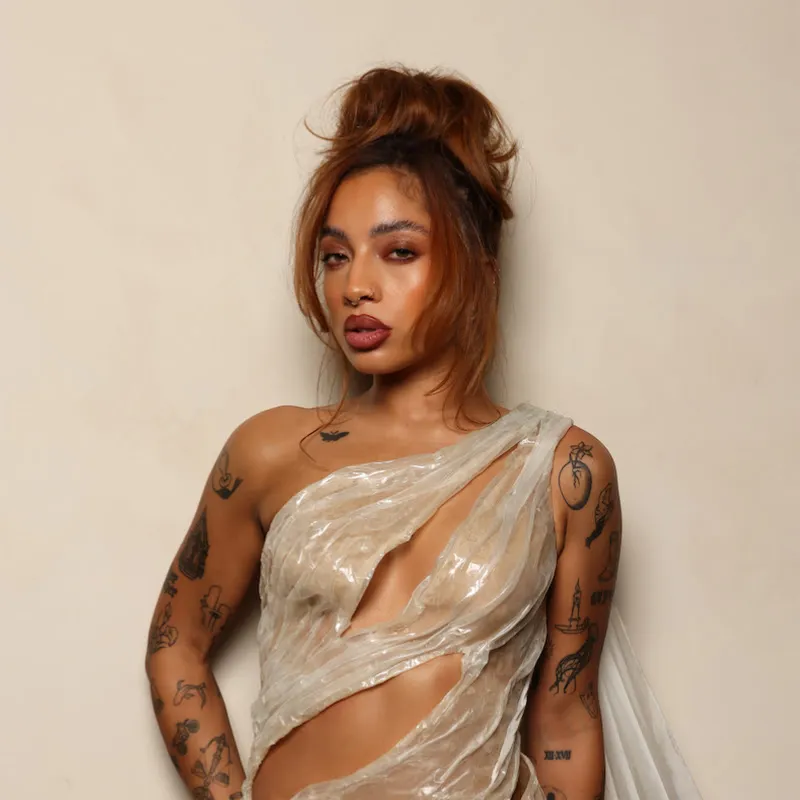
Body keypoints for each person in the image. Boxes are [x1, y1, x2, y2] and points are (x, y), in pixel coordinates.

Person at [144, 66, 701, 800]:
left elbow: (566, 715)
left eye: (398, 251)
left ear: (478, 267)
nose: (355, 286)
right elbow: (175, 647)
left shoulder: (562, 472)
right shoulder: (271, 452)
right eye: (335, 256)